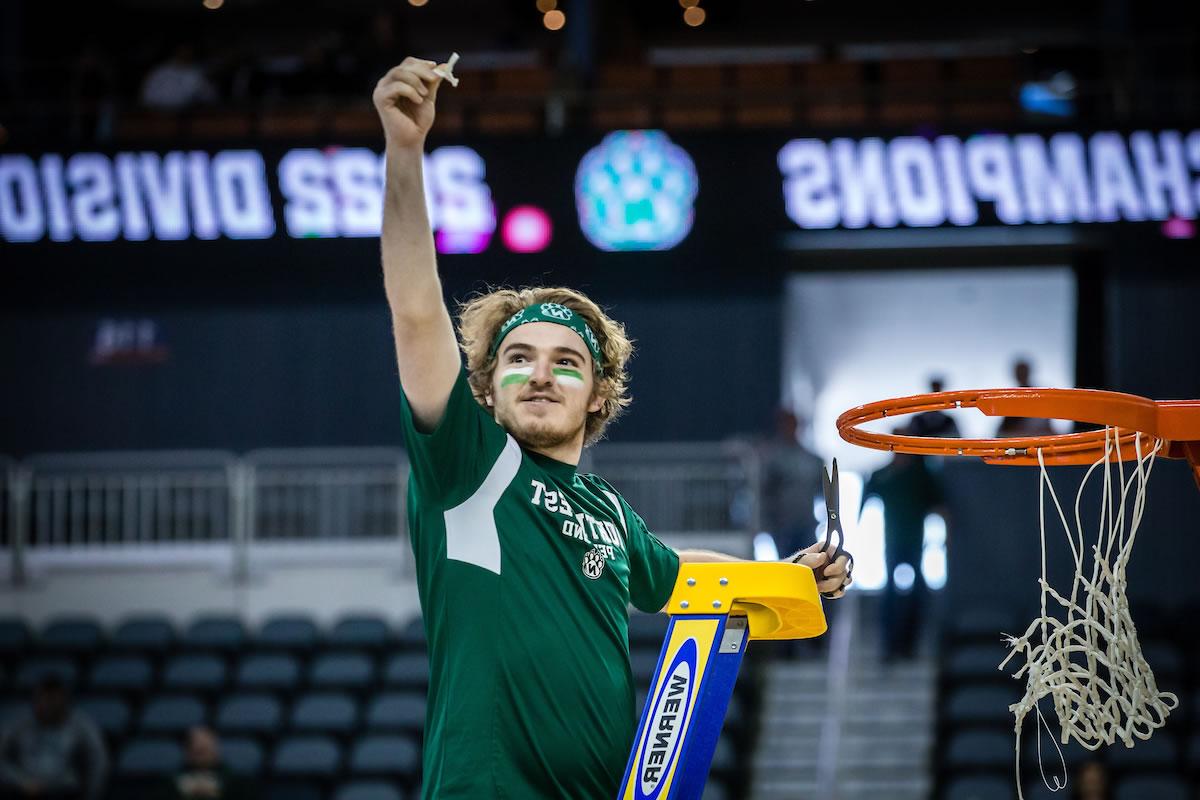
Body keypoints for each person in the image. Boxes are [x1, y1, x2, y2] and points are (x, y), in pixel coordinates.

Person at [374, 56, 852, 798]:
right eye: (518, 359)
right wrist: (405, 154)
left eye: (566, 363)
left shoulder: (608, 512)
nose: (539, 374)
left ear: (598, 397)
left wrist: (787, 577)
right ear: (486, 391)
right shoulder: (467, 465)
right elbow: (414, 311)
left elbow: (678, 576)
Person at [862, 447, 944, 661]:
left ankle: (911, 646)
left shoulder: (920, 474)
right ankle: (889, 647)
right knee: (889, 595)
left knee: (918, 594)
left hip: (915, 543)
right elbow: (867, 492)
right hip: (892, 543)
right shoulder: (884, 474)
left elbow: (940, 504)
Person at [0, 674, 108, 800]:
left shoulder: (81, 724)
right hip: (21, 788)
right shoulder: (17, 722)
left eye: (54, 701)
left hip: (64, 789)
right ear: (35, 701)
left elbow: (99, 760)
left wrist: (91, 796)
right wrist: (19, 781)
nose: (49, 707)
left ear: (65, 702)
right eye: (44, 701)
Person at [760, 408, 825, 560]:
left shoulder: (812, 460)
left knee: (811, 565)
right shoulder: (773, 459)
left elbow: (822, 492)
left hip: (807, 523)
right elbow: (766, 493)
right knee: (787, 566)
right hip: (782, 525)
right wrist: (767, 522)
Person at [152, 727, 253, 800]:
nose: (205, 756)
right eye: (199, 752)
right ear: (187, 752)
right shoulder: (171, 781)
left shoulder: (236, 781)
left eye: (208, 750)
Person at [139, 44, 218, 111]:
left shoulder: (197, 73)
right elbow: (147, 98)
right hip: (159, 116)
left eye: (188, 50)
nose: (185, 53)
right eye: (182, 50)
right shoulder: (160, 72)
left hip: (189, 116)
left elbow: (210, 98)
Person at [996, 358, 1055, 437]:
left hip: (1036, 438)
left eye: (1023, 372)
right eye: (1019, 372)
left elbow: (1046, 425)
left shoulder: (1040, 396)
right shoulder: (1012, 398)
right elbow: (1003, 430)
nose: (1021, 374)